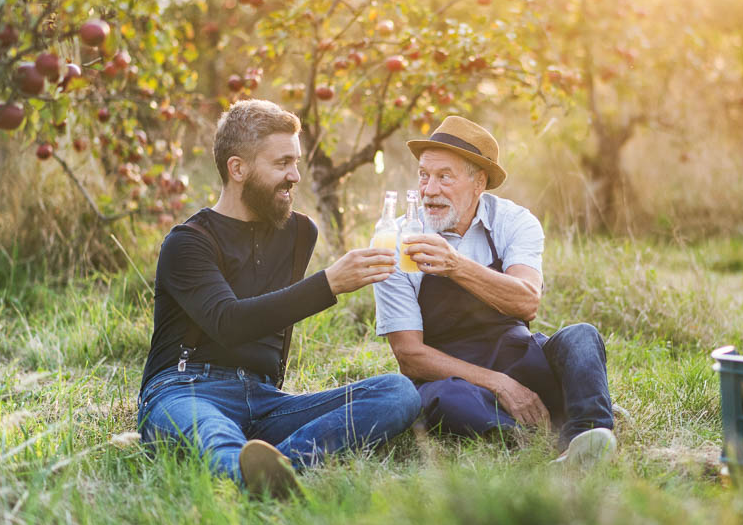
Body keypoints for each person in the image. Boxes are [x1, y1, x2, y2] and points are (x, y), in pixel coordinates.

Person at [138, 99, 421, 499]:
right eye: (281, 163)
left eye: (296, 162)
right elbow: (229, 322)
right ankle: (246, 474)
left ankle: (275, 465)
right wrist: (329, 284)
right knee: (214, 434)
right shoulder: (187, 243)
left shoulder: (299, 234)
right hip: (186, 389)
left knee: (398, 392)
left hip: (266, 400)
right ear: (238, 169)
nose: (294, 176)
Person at [372, 116, 616, 466]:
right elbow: (409, 355)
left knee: (581, 337)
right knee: (445, 400)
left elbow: (526, 301)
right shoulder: (395, 240)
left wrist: (455, 265)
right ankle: (540, 428)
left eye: (444, 177)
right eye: (424, 175)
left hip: (519, 356)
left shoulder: (514, 222)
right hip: (454, 377)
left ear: (478, 182)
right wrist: (498, 384)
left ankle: (586, 437)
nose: (429, 190)